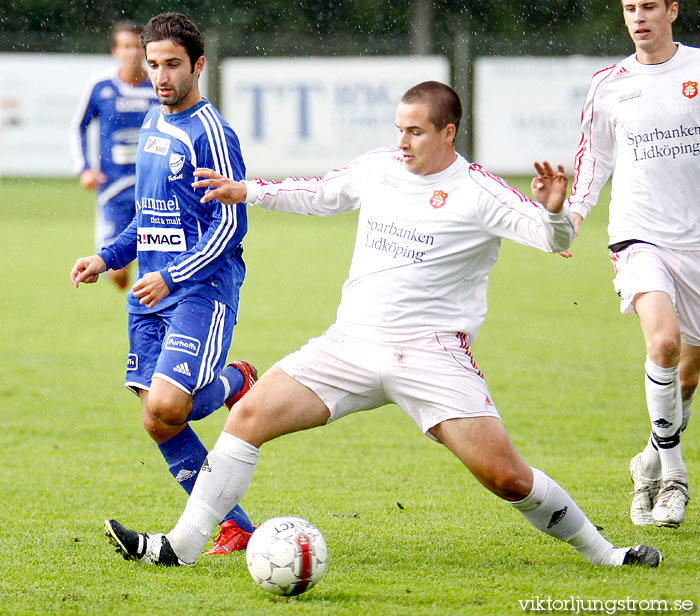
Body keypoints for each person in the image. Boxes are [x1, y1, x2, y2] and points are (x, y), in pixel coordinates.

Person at [103, 81, 661, 568]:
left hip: (431, 355)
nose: (402, 143)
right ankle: (180, 545)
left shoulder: (480, 192)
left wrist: (555, 213)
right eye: (398, 129)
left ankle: (607, 554)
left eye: (415, 132)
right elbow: (321, 193)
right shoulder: (379, 168)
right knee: (247, 417)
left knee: (506, 478)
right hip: (347, 347)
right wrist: (247, 190)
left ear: (448, 133)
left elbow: (554, 243)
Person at [71, 13, 257, 555]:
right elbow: (147, 216)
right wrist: (107, 258)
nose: (160, 76)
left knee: (172, 407)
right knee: (158, 420)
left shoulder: (212, 134)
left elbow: (231, 223)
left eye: (172, 64)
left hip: (201, 288)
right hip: (149, 293)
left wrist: (170, 274)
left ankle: (233, 382)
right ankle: (235, 525)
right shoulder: (153, 123)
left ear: (198, 65)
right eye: (153, 65)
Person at [568, 0, 699, 528]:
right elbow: (594, 157)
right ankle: (673, 476)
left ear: (672, 10)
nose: (638, 16)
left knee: (686, 377)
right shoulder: (609, 84)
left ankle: (648, 458)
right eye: (629, 8)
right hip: (637, 235)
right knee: (663, 342)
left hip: (696, 239)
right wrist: (572, 215)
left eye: (649, 6)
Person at [70, 21, 159, 290]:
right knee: (117, 274)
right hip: (114, 190)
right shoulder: (100, 86)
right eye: (126, 47)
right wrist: (84, 169)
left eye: (137, 46)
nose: (132, 53)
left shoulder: (160, 85)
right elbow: (78, 126)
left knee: (159, 266)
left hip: (155, 189)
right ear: (115, 51)